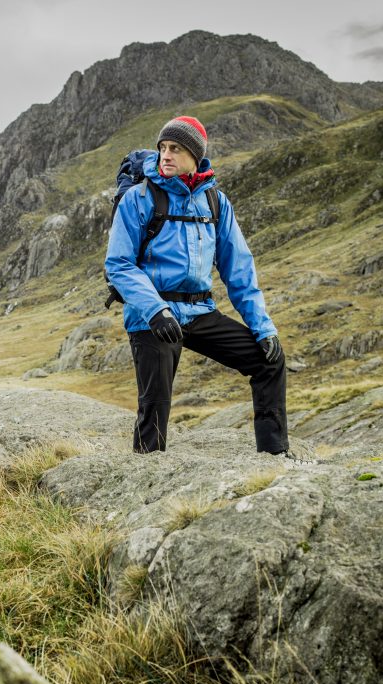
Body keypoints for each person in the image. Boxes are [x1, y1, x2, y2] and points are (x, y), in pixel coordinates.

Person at [104, 115, 290, 456]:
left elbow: (240, 272)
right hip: (152, 317)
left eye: (175, 148)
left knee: (269, 362)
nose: (166, 155)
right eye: (163, 148)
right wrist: (156, 311)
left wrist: (263, 328)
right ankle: (146, 482)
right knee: (155, 406)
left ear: (195, 155)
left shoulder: (215, 202)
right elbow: (118, 264)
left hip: (200, 312)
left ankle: (275, 456)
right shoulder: (139, 199)